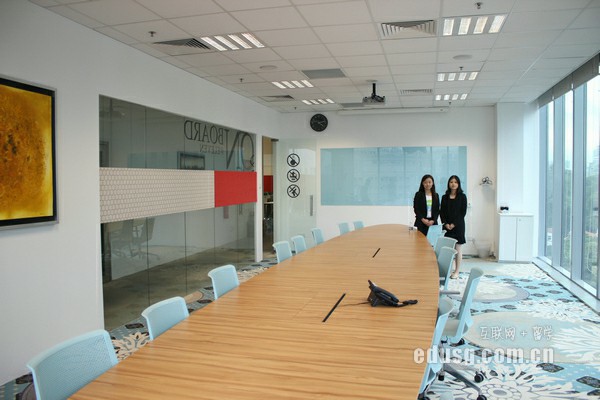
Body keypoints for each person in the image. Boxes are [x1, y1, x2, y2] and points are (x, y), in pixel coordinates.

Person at [440, 175, 468, 278]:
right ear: (448, 184)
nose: (453, 184)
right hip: (447, 226)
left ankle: (456, 271)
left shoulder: (462, 197)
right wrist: (446, 223)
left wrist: (453, 224)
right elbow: (442, 212)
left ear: (458, 184)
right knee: (448, 250)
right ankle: (448, 271)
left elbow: (462, 212)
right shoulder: (444, 197)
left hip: (458, 226)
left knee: (458, 249)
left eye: (455, 182)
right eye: (451, 182)